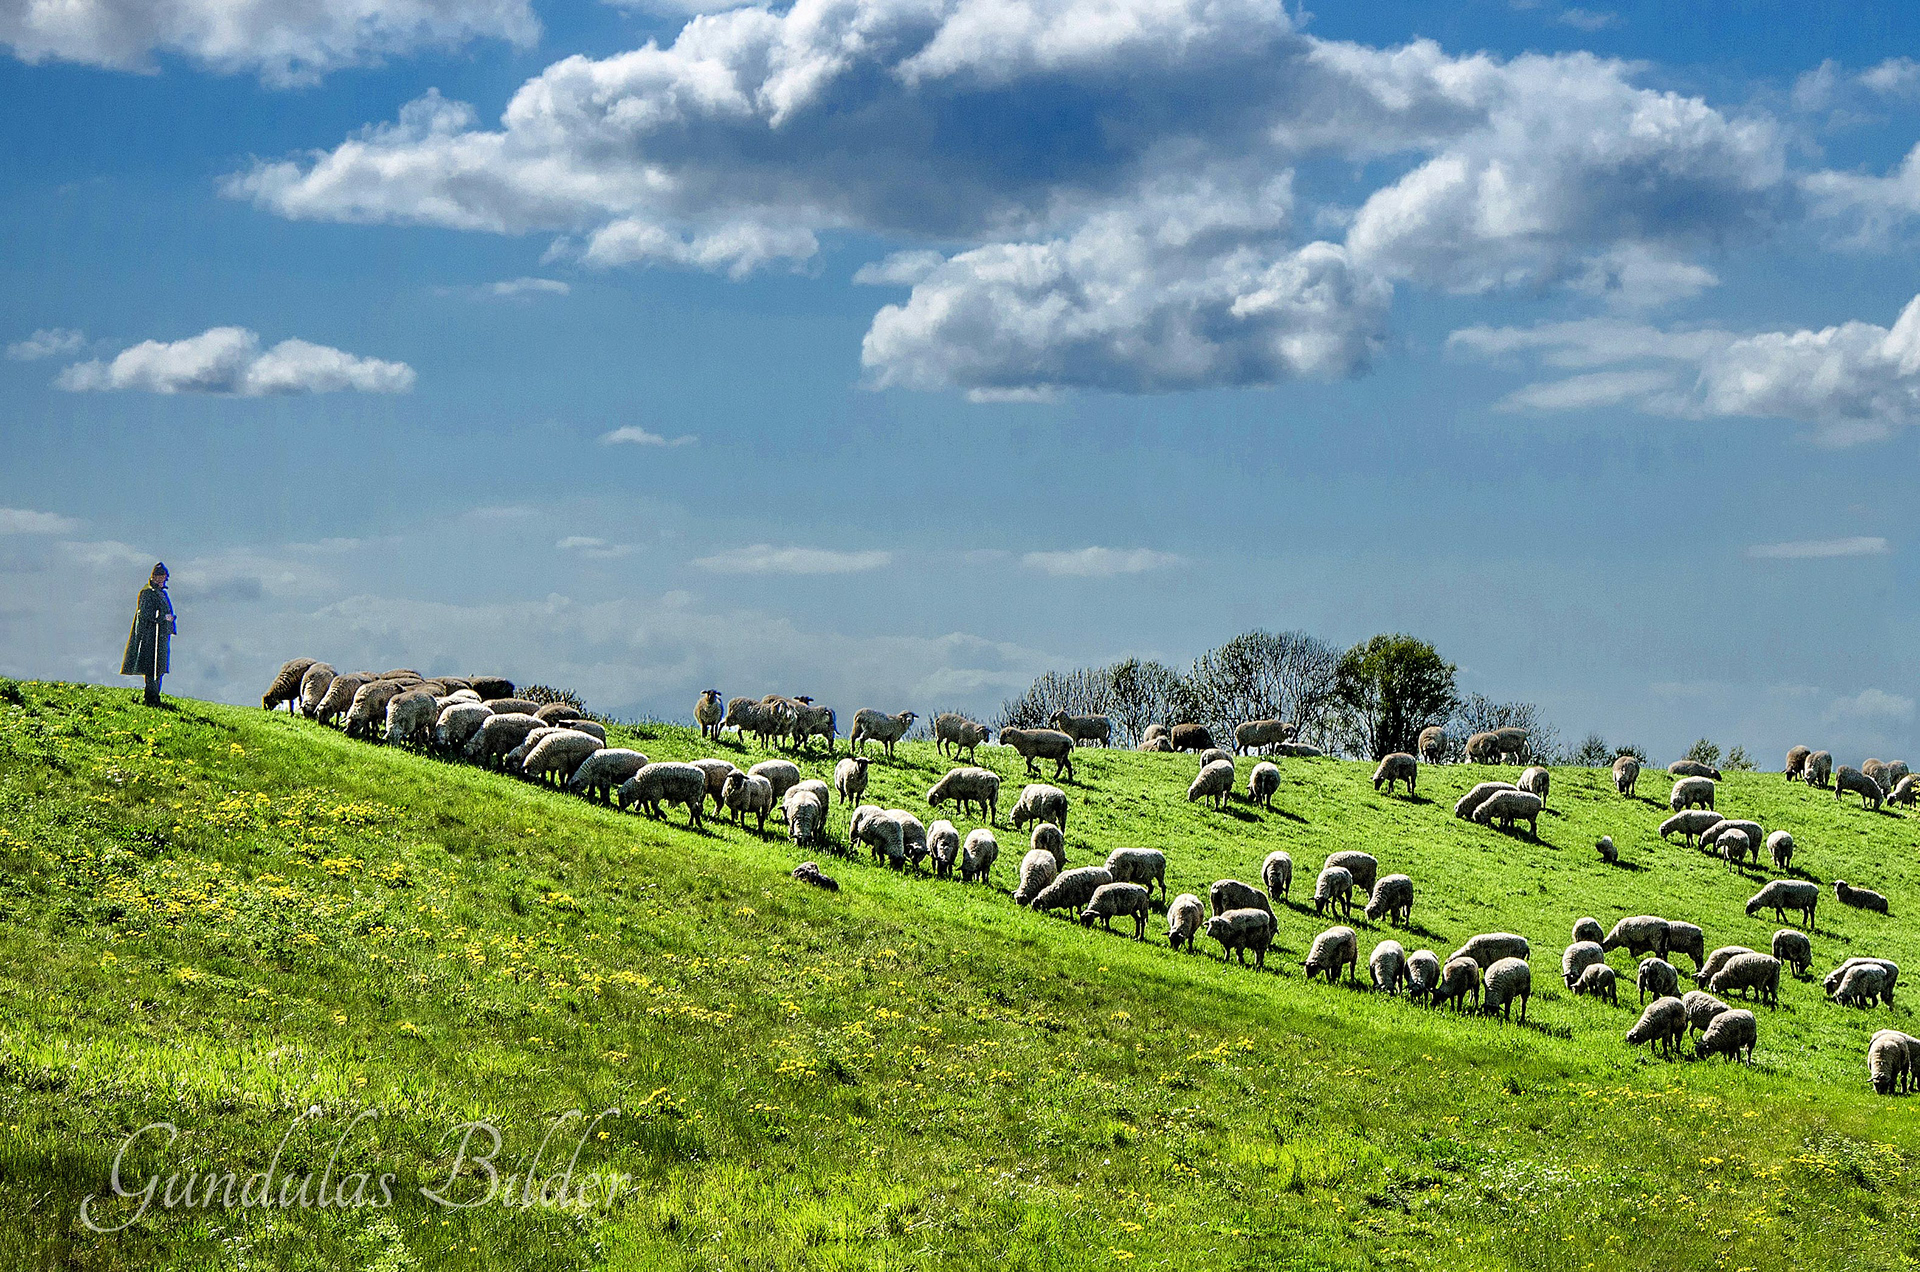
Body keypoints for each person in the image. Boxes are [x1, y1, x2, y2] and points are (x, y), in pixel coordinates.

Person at [121, 563, 176, 707]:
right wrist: (161, 618)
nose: (160, 580)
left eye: (163, 577)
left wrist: (169, 621)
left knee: (160, 667)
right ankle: (151, 697)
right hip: (150, 636)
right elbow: (145, 613)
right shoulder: (147, 593)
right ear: (153, 577)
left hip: (162, 635)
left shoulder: (162, 594)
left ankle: (156, 694)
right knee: (151, 666)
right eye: (158, 576)